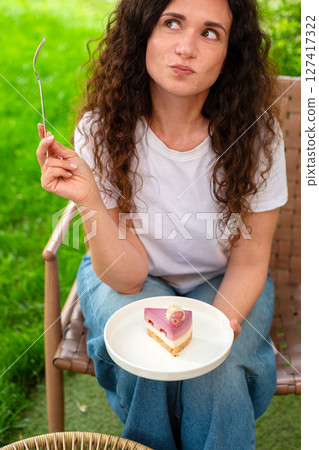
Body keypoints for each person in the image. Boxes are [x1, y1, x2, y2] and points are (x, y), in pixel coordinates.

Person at [36, 0, 288, 448]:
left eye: (210, 32)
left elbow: (251, 260)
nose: (186, 47)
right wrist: (90, 197)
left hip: (224, 277)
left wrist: (211, 333)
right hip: (130, 276)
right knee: (148, 356)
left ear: (231, 51)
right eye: (172, 23)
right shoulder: (101, 129)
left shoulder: (259, 134)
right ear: (143, 33)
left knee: (218, 369)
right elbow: (128, 279)